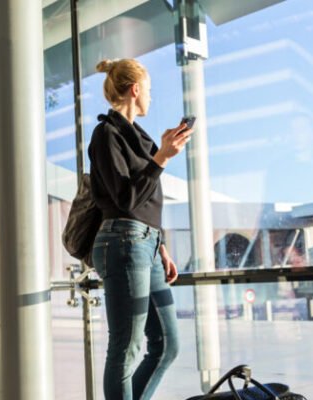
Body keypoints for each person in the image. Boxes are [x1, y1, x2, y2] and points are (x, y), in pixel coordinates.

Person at [88, 58, 192, 400]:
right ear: (135, 89)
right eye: (147, 89)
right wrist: (161, 157)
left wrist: (160, 245)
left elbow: (146, 203)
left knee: (167, 344)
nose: (149, 95)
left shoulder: (141, 139)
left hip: (146, 245)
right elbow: (126, 197)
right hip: (122, 242)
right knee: (127, 346)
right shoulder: (107, 134)